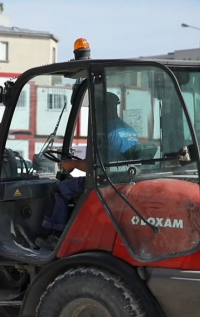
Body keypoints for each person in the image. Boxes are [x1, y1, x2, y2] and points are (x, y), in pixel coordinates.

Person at [35, 92, 138, 251]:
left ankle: (55, 237)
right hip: (122, 178)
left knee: (58, 190)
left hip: (105, 182)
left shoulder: (107, 132)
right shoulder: (127, 130)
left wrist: (74, 164)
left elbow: (97, 166)